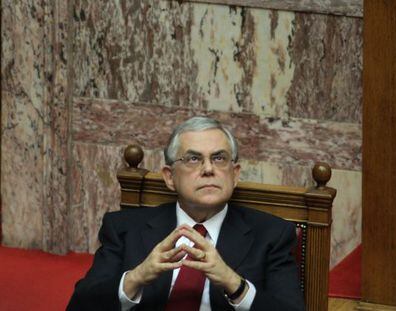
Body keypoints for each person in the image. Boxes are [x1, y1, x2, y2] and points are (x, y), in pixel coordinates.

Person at [67, 116, 305, 311]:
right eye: (193, 159)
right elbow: (79, 307)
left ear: (235, 174)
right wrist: (137, 277)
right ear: (170, 177)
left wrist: (234, 283)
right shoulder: (125, 228)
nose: (209, 169)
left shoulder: (272, 235)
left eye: (219, 158)